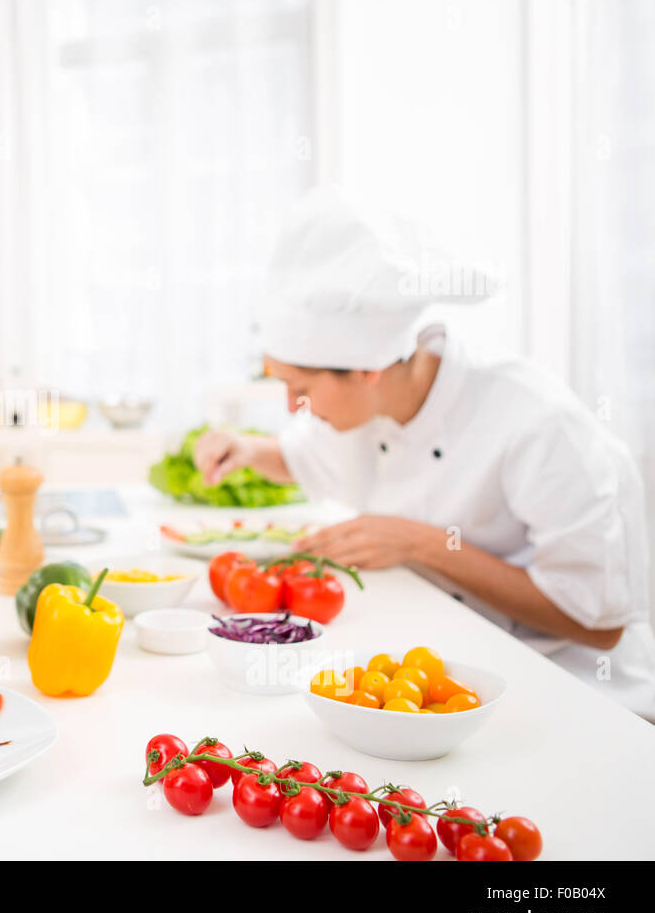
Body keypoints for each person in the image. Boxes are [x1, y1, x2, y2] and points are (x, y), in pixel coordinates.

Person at [194, 188, 654, 720]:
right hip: (450, 667)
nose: (293, 408)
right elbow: (301, 457)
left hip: (573, 693)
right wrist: (246, 449)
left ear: (366, 368)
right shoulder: (369, 402)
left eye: (300, 388)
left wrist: (423, 544)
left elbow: (597, 625)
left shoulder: (539, 423)